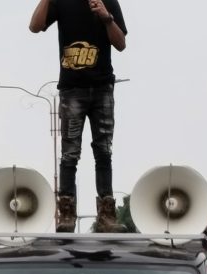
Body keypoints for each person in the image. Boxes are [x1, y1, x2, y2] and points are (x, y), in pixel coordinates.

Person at [29, 0, 128, 233]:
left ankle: (106, 216)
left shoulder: (107, 1)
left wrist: (106, 17)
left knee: (103, 151)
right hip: (72, 89)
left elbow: (121, 44)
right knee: (70, 153)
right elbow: (34, 26)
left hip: (102, 87)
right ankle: (66, 215)